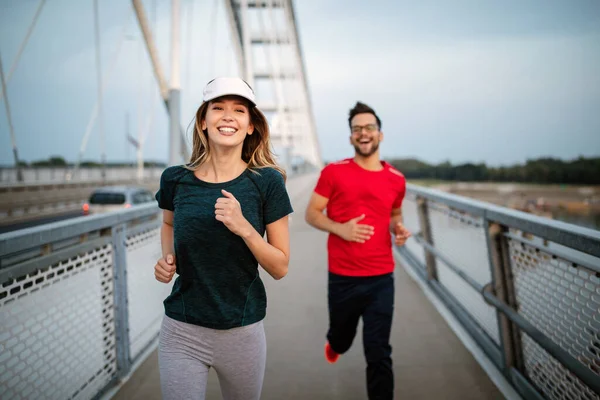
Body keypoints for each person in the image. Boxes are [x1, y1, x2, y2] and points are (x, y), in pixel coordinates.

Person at [153, 76, 293, 400]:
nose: (227, 116)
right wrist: (168, 261)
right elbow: (168, 224)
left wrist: (244, 227)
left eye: (239, 110)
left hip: (241, 332)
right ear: (204, 121)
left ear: (250, 126)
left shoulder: (267, 183)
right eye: (218, 107)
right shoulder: (175, 179)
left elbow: (280, 266)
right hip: (182, 330)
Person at [305, 101, 411, 400]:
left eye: (369, 128)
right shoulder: (333, 173)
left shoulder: (396, 179)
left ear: (380, 134)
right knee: (342, 337)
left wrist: (399, 230)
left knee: (379, 352)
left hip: (381, 277)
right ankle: (336, 343)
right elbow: (311, 213)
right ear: (351, 137)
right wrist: (341, 229)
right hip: (343, 277)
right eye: (357, 129)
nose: (363, 133)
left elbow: (393, 215)